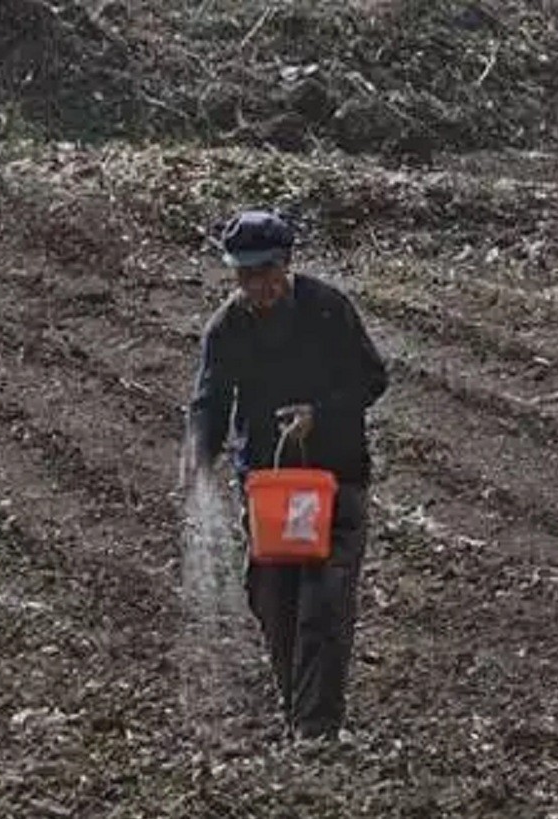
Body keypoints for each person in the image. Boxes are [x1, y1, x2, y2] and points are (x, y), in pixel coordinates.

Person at [184, 208, 388, 741]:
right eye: (246, 276)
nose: (258, 287)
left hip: (335, 478)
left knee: (324, 599)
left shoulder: (327, 310)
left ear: (287, 265)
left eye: (266, 273)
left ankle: (317, 730)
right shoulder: (227, 328)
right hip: (270, 488)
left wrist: (319, 412)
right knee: (273, 600)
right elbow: (210, 402)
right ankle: (299, 710)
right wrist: (200, 457)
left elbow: (372, 378)